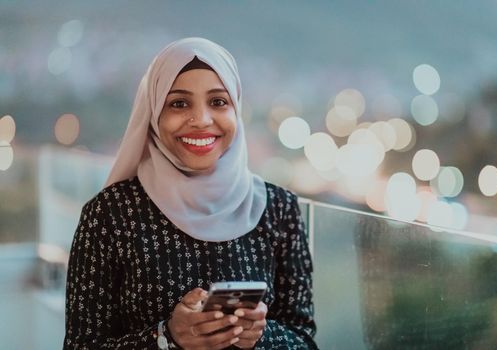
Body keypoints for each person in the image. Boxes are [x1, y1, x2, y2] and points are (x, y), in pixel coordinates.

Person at [63, 37, 318, 350]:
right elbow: (80, 345)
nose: (201, 120)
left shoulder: (280, 210)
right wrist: (166, 338)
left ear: (236, 108)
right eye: (179, 103)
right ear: (154, 112)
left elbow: (304, 339)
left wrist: (261, 336)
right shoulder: (111, 215)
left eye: (218, 102)